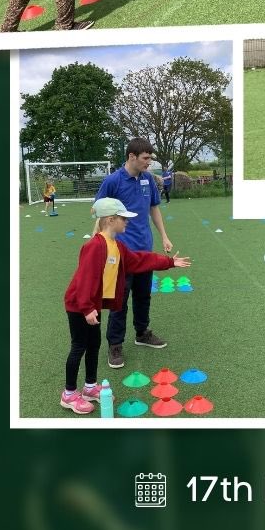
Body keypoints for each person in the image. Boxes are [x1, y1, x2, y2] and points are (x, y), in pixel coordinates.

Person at [61, 197, 190, 415]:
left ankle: (90, 387)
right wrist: (87, 308)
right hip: (79, 305)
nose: (127, 222)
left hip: (91, 306)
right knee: (79, 347)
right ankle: (69, 394)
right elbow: (84, 278)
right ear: (110, 220)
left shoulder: (117, 246)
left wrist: (169, 262)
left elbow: (140, 260)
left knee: (94, 345)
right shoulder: (94, 246)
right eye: (123, 218)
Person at [91, 138, 173, 368]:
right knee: (119, 300)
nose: (149, 162)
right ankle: (115, 345)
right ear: (131, 156)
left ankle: (142, 333)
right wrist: (98, 242)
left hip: (144, 249)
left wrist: (164, 236)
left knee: (143, 295)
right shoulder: (113, 181)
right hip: (119, 253)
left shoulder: (148, 179)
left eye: (150, 158)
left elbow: (153, 208)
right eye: (146, 158)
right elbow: (98, 210)